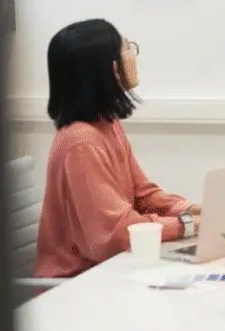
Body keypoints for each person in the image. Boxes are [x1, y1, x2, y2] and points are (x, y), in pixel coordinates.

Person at [35, 19, 201, 279]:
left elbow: (143, 196)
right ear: (112, 68)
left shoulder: (106, 124)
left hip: (111, 271)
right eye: (127, 49)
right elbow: (114, 234)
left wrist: (190, 210)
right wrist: (185, 226)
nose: (134, 57)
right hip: (79, 285)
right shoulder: (81, 142)